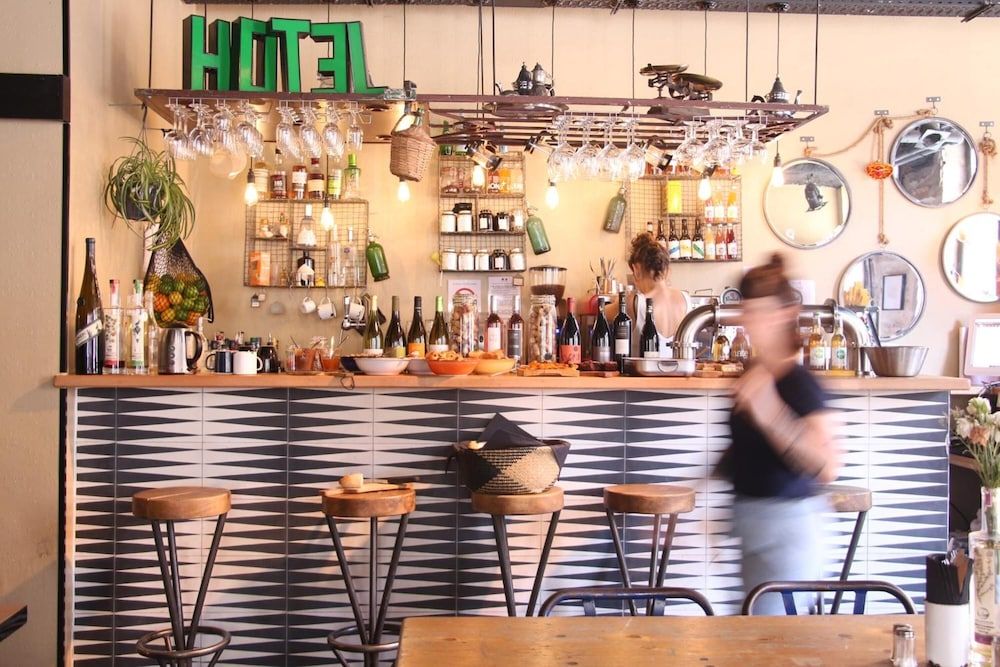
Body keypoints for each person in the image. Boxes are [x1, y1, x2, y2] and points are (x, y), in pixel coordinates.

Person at [727, 254, 840, 615]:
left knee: (768, 642)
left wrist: (769, 412)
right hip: (754, 533)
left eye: (759, 313)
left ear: (784, 314)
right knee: (753, 636)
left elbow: (828, 465)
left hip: (789, 539)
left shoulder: (799, 383)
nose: (749, 322)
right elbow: (747, 452)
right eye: (747, 312)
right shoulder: (757, 373)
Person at [628, 232, 690, 349]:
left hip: (643, 362)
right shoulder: (685, 298)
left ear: (636, 269)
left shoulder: (636, 302)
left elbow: (600, 310)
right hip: (680, 362)